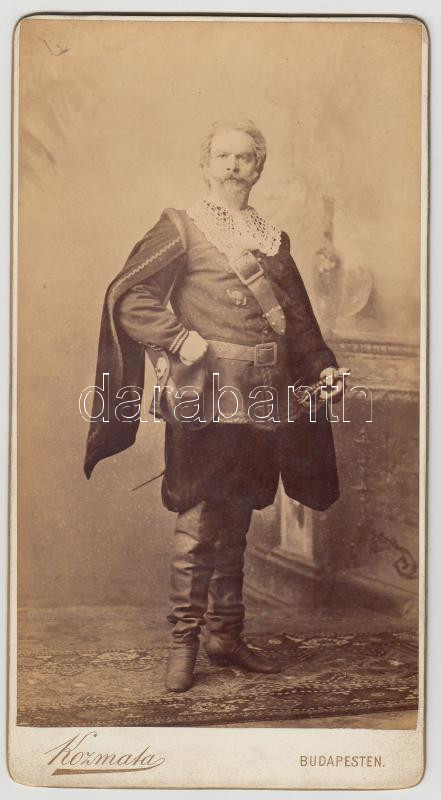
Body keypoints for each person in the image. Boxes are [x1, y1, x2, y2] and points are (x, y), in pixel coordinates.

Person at [84, 119, 343, 692]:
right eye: (222, 156)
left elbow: (298, 320)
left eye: (244, 157)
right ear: (205, 166)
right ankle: (184, 643)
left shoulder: (273, 240)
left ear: (258, 169)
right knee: (200, 517)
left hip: (265, 397)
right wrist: (177, 338)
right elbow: (128, 297)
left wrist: (323, 366)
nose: (232, 166)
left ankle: (226, 636)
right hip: (204, 396)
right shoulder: (182, 226)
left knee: (240, 515)